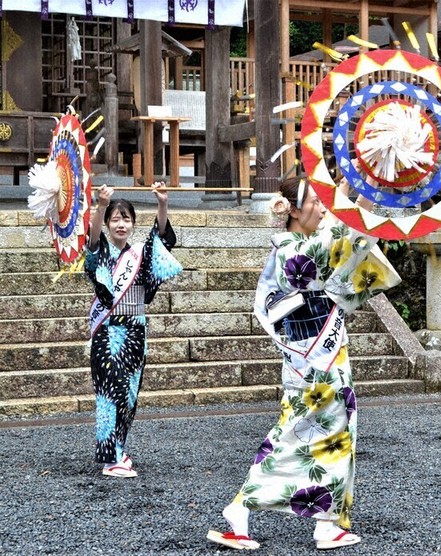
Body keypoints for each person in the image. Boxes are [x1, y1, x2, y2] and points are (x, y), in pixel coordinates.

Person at [207, 176, 400, 551]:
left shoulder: (306, 243)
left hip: (326, 358)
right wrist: (346, 192)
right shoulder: (288, 250)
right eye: (315, 200)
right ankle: (242, 506)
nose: (323, 205)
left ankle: (327, 523)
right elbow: (336, 236)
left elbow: (351, 234)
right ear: (292, 209)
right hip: (312, 363)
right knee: (293, 437)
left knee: (333, 440)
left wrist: (369, 188)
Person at [84, 183, 182, 478]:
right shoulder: (100, 251)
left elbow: (163, 238)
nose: (121, 224)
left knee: (128, 395)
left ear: (133, 223)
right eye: (116, 218)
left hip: (136, 330)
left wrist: (162, 204)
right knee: (109, 393)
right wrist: (101, 206)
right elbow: (91, 240)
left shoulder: (141, 253)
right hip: (108, 331)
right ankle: (110, 458)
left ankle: (119, 448)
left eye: (126, 219)